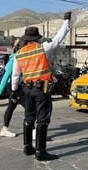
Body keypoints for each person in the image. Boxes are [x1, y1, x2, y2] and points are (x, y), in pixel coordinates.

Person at [11, 11, 72, 161]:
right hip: (41, 90)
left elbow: (15, 75)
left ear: (25, 39)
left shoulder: (19, 54)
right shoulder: (42, 48)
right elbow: (58, 39)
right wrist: (66, 22)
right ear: (36, 38)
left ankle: (27, 147)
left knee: (28, 117)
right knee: (43, 119)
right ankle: (41, 151)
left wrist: (14, 90)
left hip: (27, 90)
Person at [0, 39, 26, 138]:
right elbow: (6, 76)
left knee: (11, 107)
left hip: (16, 86)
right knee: (29, 107)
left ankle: (4, 129)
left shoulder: (19, 58)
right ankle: (32, 130)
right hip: (12, 87)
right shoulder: (13, 59)